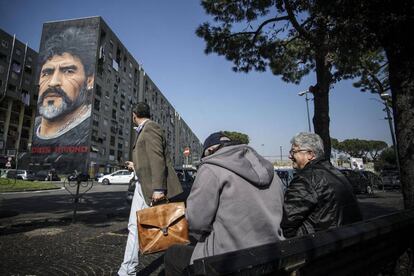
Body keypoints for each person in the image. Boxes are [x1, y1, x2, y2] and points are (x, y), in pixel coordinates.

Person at [164, 132, 285, 276]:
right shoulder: (271, 173)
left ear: (209, 151)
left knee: (173, 254)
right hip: (272, 256)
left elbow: (197, 222)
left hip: (229, 260)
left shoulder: (211, 168)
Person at [118, 102, 183, 276]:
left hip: (151, 188)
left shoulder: (151, 128)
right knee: (134, 227)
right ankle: (127, 271)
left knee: (168, 229)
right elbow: (149, 159)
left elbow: (157, 159)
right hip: (143, 185)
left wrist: (159, 189)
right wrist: (135, 165)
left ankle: (182, 263)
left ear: (134, 115)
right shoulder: (145, 129)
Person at [281, 132, 362, 238]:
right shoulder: (337, 174)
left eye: (293, 151)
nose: (290, 156)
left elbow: (286, 224)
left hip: (320, 245)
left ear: (310, 154)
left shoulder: (305, 180)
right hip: (348, 241)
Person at [32, 26, 95, 148]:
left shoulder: (88, 130)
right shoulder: (35, 125)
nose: (53, 82)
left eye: (68, 71)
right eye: (47, 72)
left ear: (89, 81)